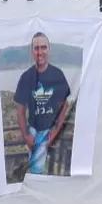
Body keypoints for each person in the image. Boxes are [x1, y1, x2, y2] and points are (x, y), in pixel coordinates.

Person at [14, 33, 72, 175]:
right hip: (34, 130)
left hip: (51, 129)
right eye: (36, 48)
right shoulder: (26, 77)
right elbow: (20, 109)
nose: (40, 52)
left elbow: (64, 106)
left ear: (49, 50)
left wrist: (55, 132)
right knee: (37, 170)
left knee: (50, 170)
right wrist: (26, 136)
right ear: (32, 52)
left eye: (43, 47)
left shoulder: (58, 75)